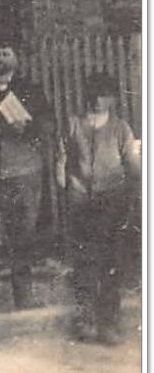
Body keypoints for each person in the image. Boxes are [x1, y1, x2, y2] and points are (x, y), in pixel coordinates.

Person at [0, 39, 55, 310]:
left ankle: (23, 296)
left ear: (16, 59)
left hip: (25, 173)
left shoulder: (30, 90)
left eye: (8, 52)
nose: (2, 58)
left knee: (23, 236)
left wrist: (27, 127)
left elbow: (47, 124)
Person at [60, 72, 140, 344]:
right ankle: (86, 319)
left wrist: (128, 197)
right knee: (84, 262)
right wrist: (72, 187)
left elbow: (133, 167)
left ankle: (109, 322)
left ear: (113, 99)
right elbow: (65, 161)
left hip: (112, 204)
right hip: (82, 201)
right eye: (94, 94)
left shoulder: (121, 129)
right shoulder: (75, 125)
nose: (98, 100)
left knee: (110, 262)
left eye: (104, 94)